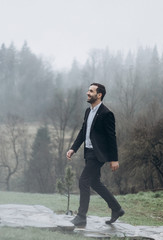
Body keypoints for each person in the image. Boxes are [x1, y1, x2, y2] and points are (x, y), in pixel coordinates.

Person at [66, 83, 124, 227]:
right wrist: (73, 148)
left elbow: (111, 137)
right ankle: (116, 209)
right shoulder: (88, 111)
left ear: (99, 95)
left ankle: (81, 217)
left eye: (91, 91)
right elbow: (83, 131)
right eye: (88, 90)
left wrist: (114, 159)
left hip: (98, 154)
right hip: (89, 152)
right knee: (94, 182)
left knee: (83, 181)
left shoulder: (106, 113)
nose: (87, 93)